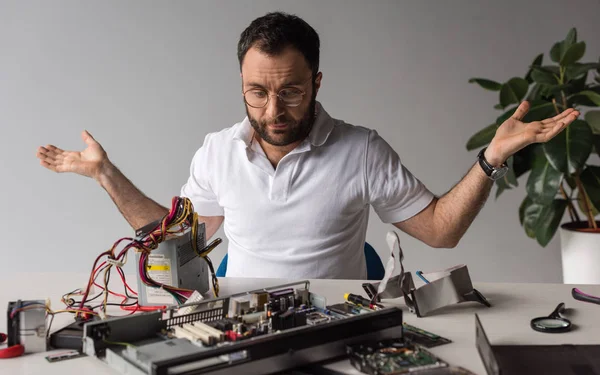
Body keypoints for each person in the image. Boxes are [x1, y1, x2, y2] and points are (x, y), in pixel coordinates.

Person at [36, 12, 579, 279]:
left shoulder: (362, 149)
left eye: (291, 91)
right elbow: (178, 242)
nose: (273, 111)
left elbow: (440, 232)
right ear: (241, 85)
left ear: (317, 83)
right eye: (257, 92)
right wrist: (107, 175)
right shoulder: (217, 151)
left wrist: (492, 159)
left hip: (338, 328)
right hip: (244, 328)